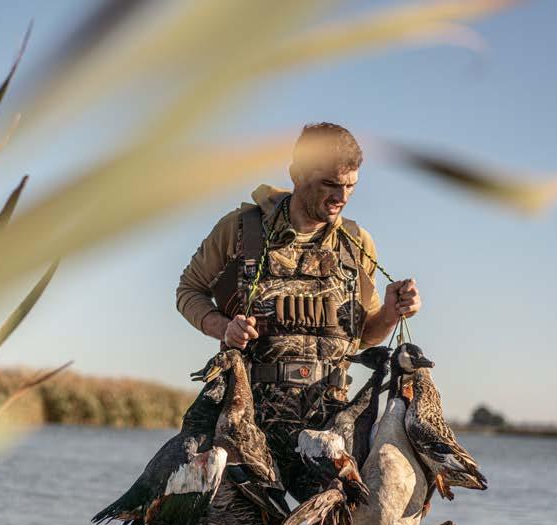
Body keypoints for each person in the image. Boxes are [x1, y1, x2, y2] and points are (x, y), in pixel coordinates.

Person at [176, 122, 421, 501]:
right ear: (297, 174)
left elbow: (363, 338)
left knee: (366, 513)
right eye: (330, 184)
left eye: (351, 186)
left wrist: (391, 312)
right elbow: (188, 291)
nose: (342, 197)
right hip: (249, 422)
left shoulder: (357, 243)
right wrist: (223, 327)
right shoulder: (240, 229)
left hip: (330, 426)